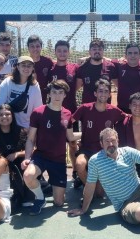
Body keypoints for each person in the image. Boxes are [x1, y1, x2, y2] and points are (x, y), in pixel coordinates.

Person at [21, 80, 81, 215]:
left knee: (59, 203)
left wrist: (88, 133)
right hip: (41, 156)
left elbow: (70, 137)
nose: (57, 96)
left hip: (59, 160)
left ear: (65, 95)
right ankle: (40, 197)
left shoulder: (67, 114)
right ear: (49, 94)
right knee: (28, 175)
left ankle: (52, 186)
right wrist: (27, 158)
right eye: (54, 92)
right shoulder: (38, 112)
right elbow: (30, 139)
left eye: (61, 93)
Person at [71, 79, 126, 194]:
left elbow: (129, 118)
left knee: (100, 194)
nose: (103, 94)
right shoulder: (84, 108)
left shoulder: (114, 111)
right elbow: (69, 120)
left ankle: (92, 185)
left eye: (106, 91)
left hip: (104, 151)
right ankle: (88, 188)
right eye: (100, 91)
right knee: (80, 164)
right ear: (95, 93)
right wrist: (72, 137)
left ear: (110, 94)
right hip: (86, 149)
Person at [0, 104, 34, 207]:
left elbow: (34, 149)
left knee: (27, 165)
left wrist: (17, 154)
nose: (4, 117)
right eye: (1, 115)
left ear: (12, 116)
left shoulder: (22, 131)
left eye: (7, 114)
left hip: (19, 163)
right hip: (0, 165)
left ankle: (26, 196)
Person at [48, 40, 80, 180]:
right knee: (56, 143)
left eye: (65, 50)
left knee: (73, 143)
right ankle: (55, 173)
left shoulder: (75, 68)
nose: (62, 53)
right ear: (55, 52)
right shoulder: (50, 69)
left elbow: (77, 86)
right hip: (53, 112)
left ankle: (75, 171)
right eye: (59, 50)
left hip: (72, 111)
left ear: (69, 52)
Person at [0, 56, 43, 129]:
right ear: (18, 67)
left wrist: (34, 129)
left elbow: (37, 109)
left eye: (29, 66)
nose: (26, 68)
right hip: (8, 125)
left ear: (32, 68)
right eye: (23, 65)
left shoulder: (34, 85)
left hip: (25, 127)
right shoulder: (8, 82)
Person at [76, 39, 118, 104]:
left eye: (100, 49)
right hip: (88, 108)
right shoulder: (82, 68)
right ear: (89, 51)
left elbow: (120, 86)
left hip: (105, 108)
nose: (97, 51)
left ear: (103, 51)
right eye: (94, 49)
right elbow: (75, 88)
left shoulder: (110, 66)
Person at [113, 42, 140, 113]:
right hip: (123, 108)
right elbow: (104, 59)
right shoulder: (119, 66)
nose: (133, 55)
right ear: (125, 55)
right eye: (130, 53)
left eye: (135, 53)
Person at [27, 35, 54, 104]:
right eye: (32, 46)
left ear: (41, 47)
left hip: (42, 96)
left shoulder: (47, 61)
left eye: (37, 46)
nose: (35, 49)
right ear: (28, 48)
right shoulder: (24, 62)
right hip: (26, 96)